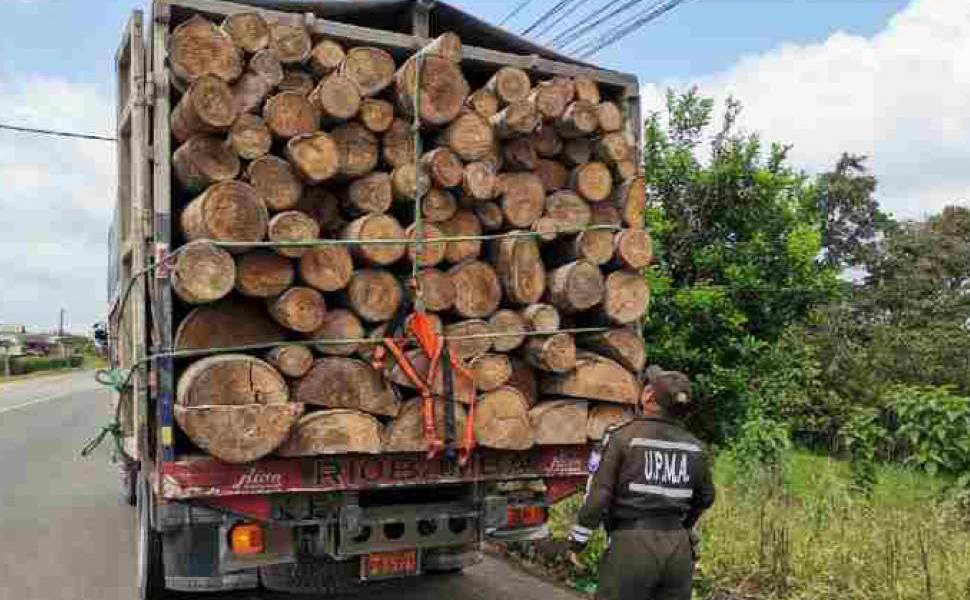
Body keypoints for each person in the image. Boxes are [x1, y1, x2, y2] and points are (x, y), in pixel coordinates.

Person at [568, 365, 715, 600]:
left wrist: (578, 539)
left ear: (648, 396)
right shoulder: (695, 447)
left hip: (631, 547)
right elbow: (706, 497)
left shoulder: (623, 438)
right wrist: (684, 526)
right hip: (678, 551)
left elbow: (601, 495)